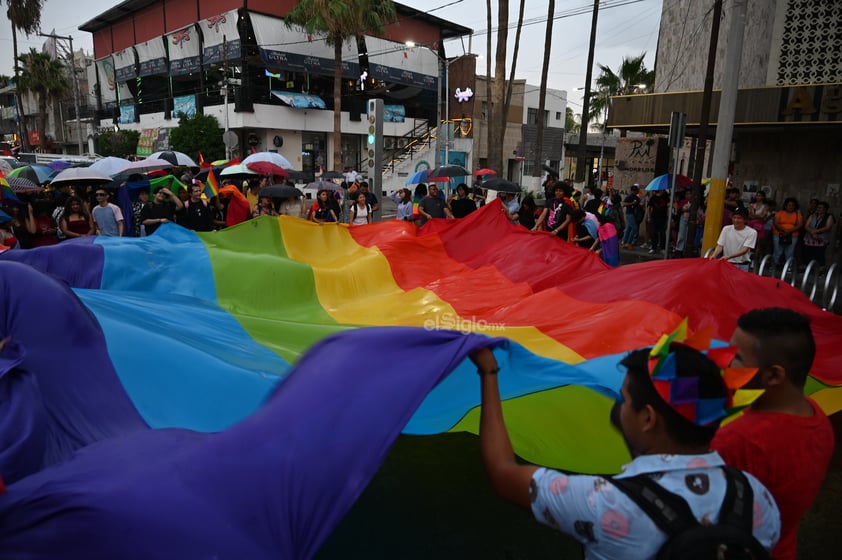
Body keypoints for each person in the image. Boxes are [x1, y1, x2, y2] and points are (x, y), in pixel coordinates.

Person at [470, 338, 780, 558]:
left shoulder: (606, 503)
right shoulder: (756, 496)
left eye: (624, 400)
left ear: (647, 418)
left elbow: (502, 472)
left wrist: (489, 373)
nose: (617, 407)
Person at [711, 308, 833, 560]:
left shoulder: (738, 442)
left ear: (774, 375)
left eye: (737, 357)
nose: (726, 362)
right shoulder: (816, 416)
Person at [708, 206, 757, 271]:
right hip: (727, 263)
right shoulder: (726, 229)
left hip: (741, 265)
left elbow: (745, 250)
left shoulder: (752, 232)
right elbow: (720, 245)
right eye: (734, 217)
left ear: (745, 219)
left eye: (739, 218)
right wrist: (714, 255)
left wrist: (729, 257)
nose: (736, 220)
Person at [802, 201, 834, 269]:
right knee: (807, 254)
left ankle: (820, 270)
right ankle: (807, 269)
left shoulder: (829, 216)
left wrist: (815, 232)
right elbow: (806, 226)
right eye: (818, 207)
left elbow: (828, 227)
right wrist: (812, 232)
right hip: (810, 238)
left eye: (820, 208)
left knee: (819, 255)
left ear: (825, 209)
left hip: (821, 238)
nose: (818, 209)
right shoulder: (812, 215)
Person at [772, 197, 803, 265]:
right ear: (785, 206)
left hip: (793, 235)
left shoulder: (798, 215)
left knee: (789, 252)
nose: (791, 207)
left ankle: (788, 267)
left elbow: (800, 224)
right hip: (778, 234)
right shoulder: (779, 213)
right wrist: (784, 230)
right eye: (789, 205)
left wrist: (789, 231)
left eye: (792, 205)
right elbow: (776, 223)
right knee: (777, 250)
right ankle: (774, 265)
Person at [621, 184, 642, 248]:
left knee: (629, 228)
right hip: (630, 214)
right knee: (634, 228)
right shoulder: (629, 197)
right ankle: (628, 242)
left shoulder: (637, 197)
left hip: (635, 214)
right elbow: (624, 204)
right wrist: (632, 203)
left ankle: (625, 241)